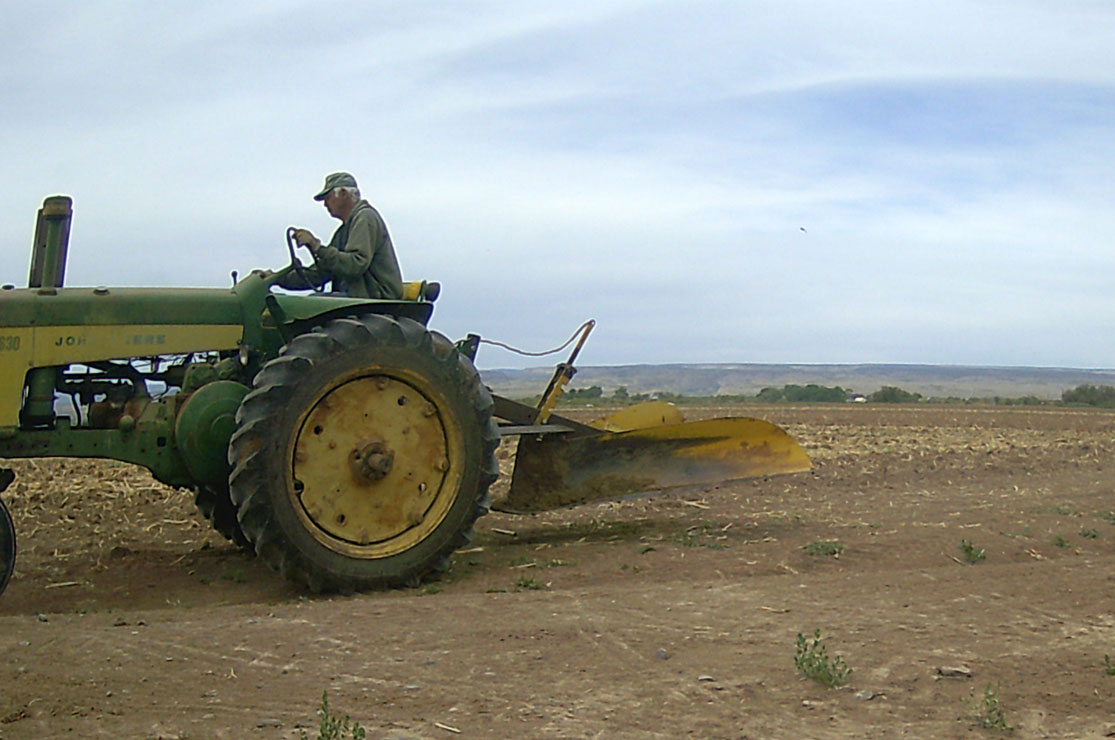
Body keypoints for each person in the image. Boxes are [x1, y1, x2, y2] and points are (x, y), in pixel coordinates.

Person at [282, 172, 404, 299]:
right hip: (358, 296)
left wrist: (316, 246)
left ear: (344, 194)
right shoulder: (343, 231)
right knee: (305, 302)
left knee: (311, 304)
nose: (325, 204)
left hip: (375, 298)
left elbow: (356, 265)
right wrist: (278, 278)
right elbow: (321, 273)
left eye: (328, 198)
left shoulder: (365, 218)